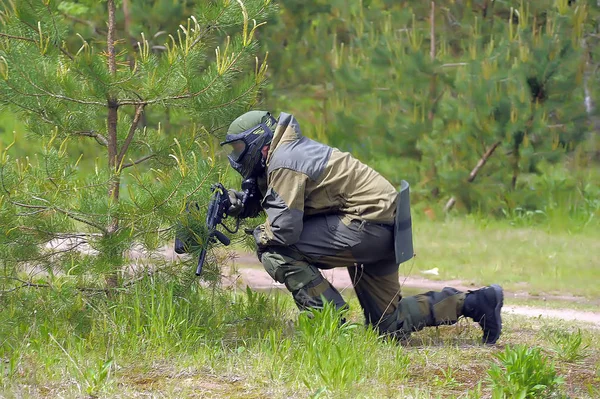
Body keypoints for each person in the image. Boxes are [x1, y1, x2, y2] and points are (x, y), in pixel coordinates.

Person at [221, 110, 504, 344]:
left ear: (258, 142)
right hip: (385, 229)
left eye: (239, 148)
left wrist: (260, 233)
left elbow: (285, 230)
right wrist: (244, 205)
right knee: (388, 327)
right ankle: (476, 302)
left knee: (274, 249)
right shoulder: (289, 151)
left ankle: (327, 325)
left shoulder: (285, 161)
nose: (237, 156)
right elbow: (289, 201)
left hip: (366, 226)